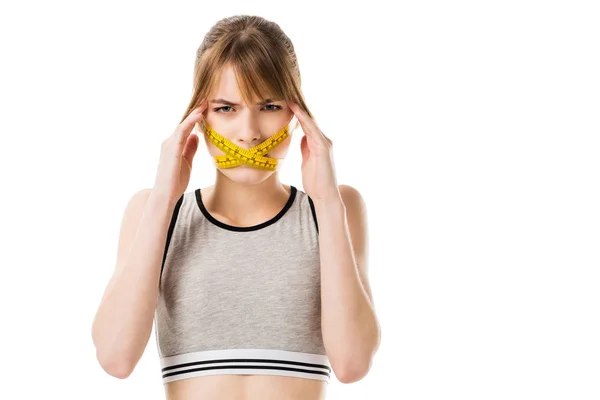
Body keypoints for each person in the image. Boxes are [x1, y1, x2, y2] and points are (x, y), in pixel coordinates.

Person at [91, 14, 381, 400]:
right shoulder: (153, 210)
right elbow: (115, 358)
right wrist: (164, 198)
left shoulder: (336, 207)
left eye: (269, 105)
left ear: (297, 114)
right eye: (226, 108)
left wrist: (327, 203)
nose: (249, 133)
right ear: (200, 115)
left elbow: (352, 364)